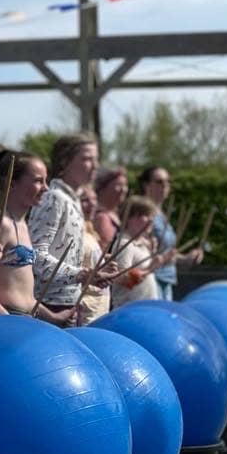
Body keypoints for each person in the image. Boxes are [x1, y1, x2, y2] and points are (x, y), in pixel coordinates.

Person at [0, 150, 55, 318]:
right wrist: (7, 319)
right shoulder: (2, 224)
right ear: (12, 183)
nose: (45, 188)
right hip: (8, 317)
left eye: (46, 181)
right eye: (38, 181)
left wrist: (54, 317)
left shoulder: (22, 224)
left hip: (24, 318)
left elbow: (26, 295)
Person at [28, 131, 99, 321]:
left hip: (69, 303)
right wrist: (79, 275)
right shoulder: (53, 198)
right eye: (87, 159)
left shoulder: (72, 199)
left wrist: (97, 268)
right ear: (64, 161)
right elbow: (36, 255)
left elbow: (67, 254)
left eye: (96, 159)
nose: (95, 166)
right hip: (49, 305)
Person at [138, 164, 201, 298]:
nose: (165, 185)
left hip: (167, 280)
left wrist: (186, 258)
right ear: (146, 185)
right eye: (159, 182)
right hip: (152, 280)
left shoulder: (162, 214)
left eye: (168, 182)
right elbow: (142, 251)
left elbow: (167, 253)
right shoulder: (142, 214)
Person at [110, 195, 163, 307]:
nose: (151, 220)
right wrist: (150, 268)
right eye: (145, 215)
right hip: (129, 308)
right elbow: (121, 278)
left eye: (152, 216)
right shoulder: (125, 244)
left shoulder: (142, 244)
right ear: (130, 218)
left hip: (144, 307)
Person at [77, 185, 112, 323]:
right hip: (85, 312)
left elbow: (90, 266)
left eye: (94, 199)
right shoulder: (74, 234)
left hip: (99, 310)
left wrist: (105, 266)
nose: (92, 204)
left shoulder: (91, 233)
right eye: (85, 200)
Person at [93, 163, 129, 252]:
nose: (123, 190)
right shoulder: (101, 217)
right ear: (103, 187)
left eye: (125, 185)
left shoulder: (114, 214)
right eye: (119, 185)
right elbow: (104, 251)